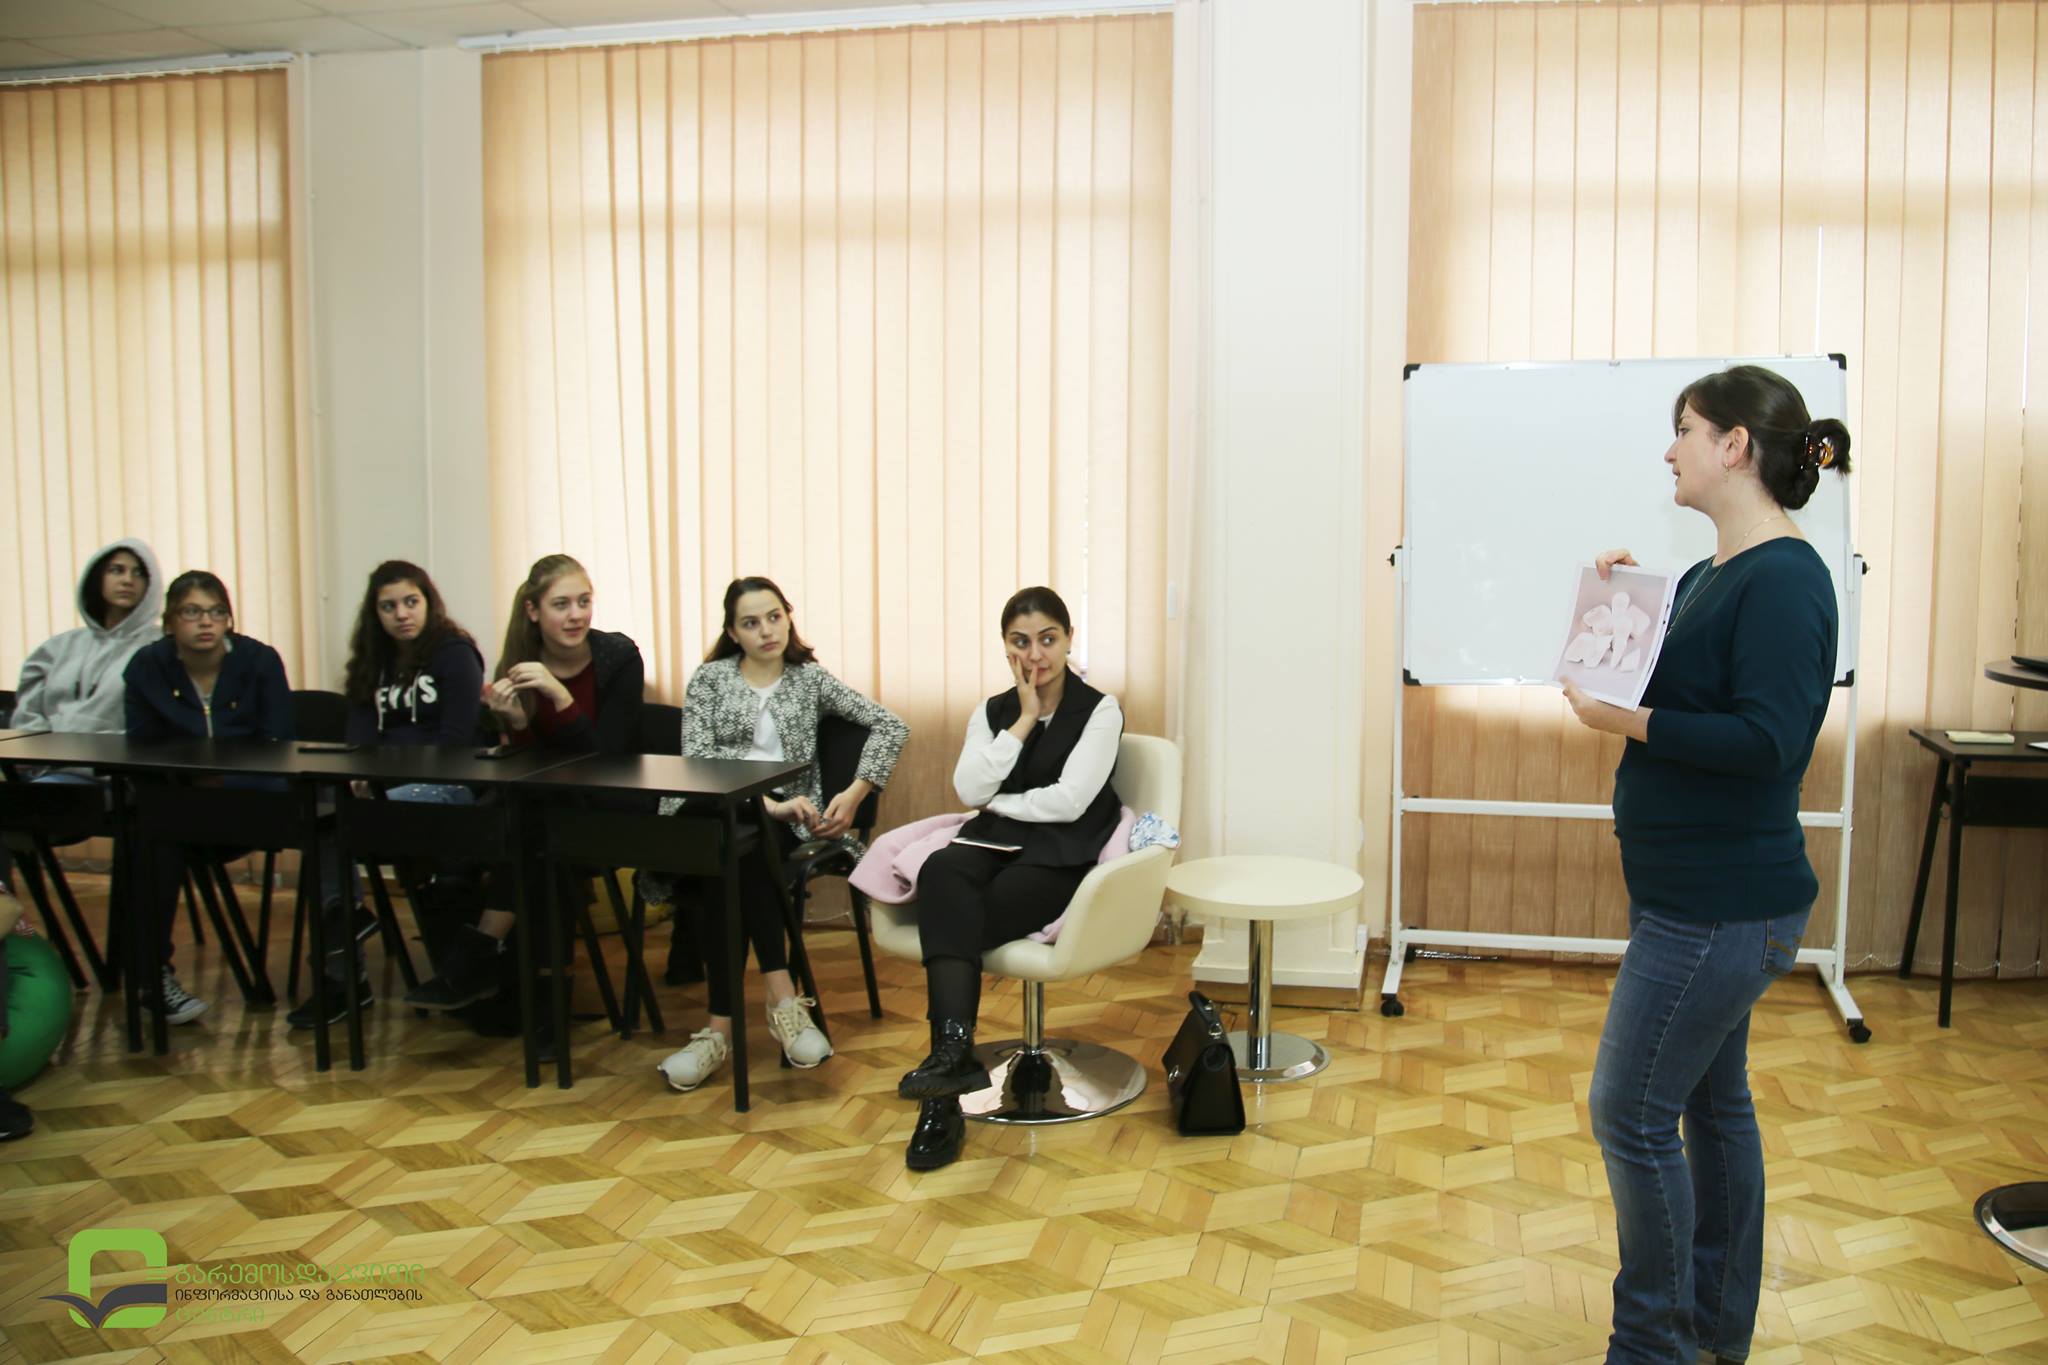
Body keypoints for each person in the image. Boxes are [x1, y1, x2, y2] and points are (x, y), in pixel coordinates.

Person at [1561, 365, 1851, 1364]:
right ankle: (1712, 1333)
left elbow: (1768, 741)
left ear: (1733, 446)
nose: (1668, 449)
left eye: (1682, 429)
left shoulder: (1787, 579)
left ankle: (1653, 1345)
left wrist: (1627, 721)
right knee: (1711, 1108)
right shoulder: (1703, 577)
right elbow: (1670, 690)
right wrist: (1617, 600)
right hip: (1685, 898)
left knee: (1629, 1112)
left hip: (1720, 909)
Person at [893, 586, 1122, 1170]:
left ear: (1068, 640)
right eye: (1020, 642)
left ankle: (941, 1099)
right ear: (1005, 647)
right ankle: (952, 1057)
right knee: (941, 870)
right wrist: (1021, 721)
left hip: (1059, 852)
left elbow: (1070, 801)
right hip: (991, 841)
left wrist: (1003, 802)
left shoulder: (1100, 710)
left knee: (954, 916)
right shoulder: (994, 711)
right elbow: (969, 790)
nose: (1035, 654)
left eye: (1048, 639)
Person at [654, 576, 909, 1093]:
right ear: (733, 632)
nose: (767, 630)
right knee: (738, 836)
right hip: (709, 812)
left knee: (739, 854)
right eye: (751, 623)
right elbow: (699, 762)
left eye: (774, 616)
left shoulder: (809, 680)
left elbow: (891, 726)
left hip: (778, 828)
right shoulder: (709, 679)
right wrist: (766, 805)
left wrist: (854, 793)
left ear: (788, 617)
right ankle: (785, 1002)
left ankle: (717, 1032)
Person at [404, 553, 644, 1014]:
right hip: (546, 811)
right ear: (533, 610)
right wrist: (515, 723)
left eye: (584, 601)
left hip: (612, 804)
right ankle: (527, 997)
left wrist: (560, 697)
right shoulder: (519, 661)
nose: (576, 615)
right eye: (561, 605)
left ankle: (480, 953)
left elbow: (605, 759)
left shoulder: (618, 656)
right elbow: (530, 767)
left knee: (535, 827)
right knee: (527, 834)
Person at [286, 561, 486, 1029]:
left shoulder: (456, 654)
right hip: (382, 792)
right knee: (322, 817)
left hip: (449, 788)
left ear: (428, 603)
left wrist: (382, 779)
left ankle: (343, 952)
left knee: (346, 821)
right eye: (389, 606)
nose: (401, 614)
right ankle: (344, 952)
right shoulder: (371, 662)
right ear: (375, 614)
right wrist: (362, 777)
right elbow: (359, 740)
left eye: (411, 602)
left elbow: (455, 743)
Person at [123, 570, 296, 1025]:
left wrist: (217, 781)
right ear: (169, 622)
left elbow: (278, 747)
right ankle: (151, 978)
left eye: (217, 612)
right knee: (149, 835)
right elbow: (142, 751)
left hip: (253, 801)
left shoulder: (259, 661)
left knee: (160, 827)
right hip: (180, 808)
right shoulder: (146, 666)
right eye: (192, 612)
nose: (206, 622)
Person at [1, 539, 163, 894]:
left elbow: (148, 731)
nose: (127, 580)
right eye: (117, 570)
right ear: (97, 577)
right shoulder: (59, 647)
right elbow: (28, 715)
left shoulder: (159, 650)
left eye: (138, 573)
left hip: (107, 782)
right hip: (40, 773)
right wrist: (40, 757)